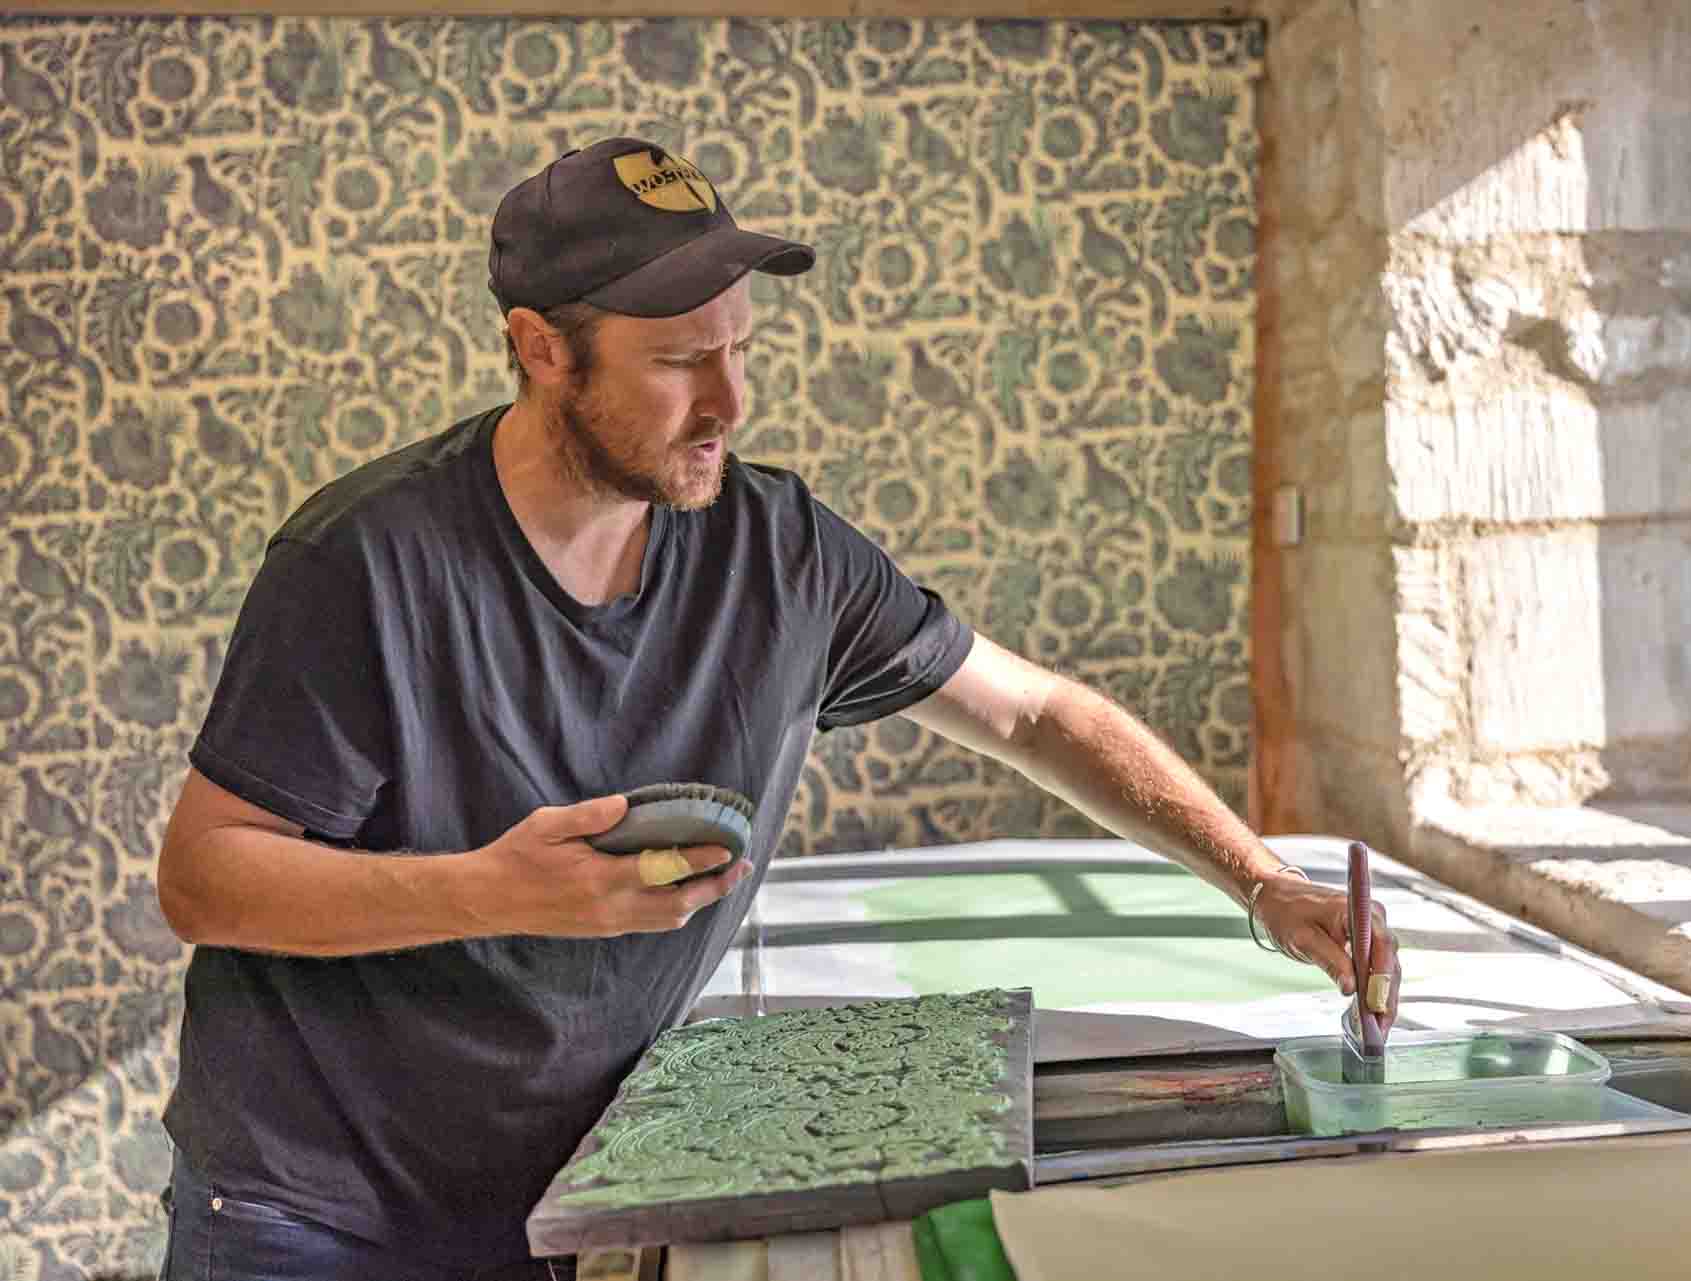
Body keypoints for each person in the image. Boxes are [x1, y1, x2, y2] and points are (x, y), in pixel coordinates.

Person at [153, 136, 1400, 1280]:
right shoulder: (363, 562)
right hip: (311, 1210)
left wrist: (1261, 881)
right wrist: (492, 891)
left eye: (740, 349)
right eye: (679, 362)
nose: (729, 402)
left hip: (571, 1191)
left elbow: (1028, 715)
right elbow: (205, 878)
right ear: (541, 349)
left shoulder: (780, 549)